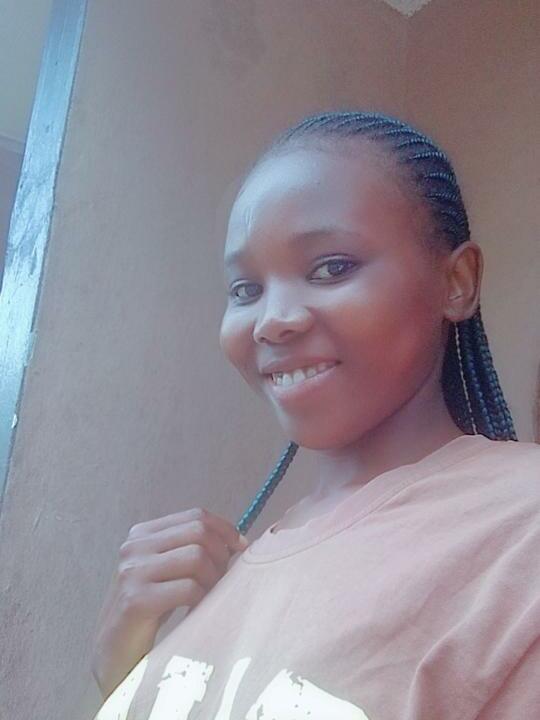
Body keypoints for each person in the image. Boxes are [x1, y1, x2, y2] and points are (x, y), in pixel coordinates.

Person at [91, 110, 540, 719]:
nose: (272, 320)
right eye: (245, 290)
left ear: (456, 282)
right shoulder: (223, 571)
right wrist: (120, 670)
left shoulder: (518, 528)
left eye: (331, 268)